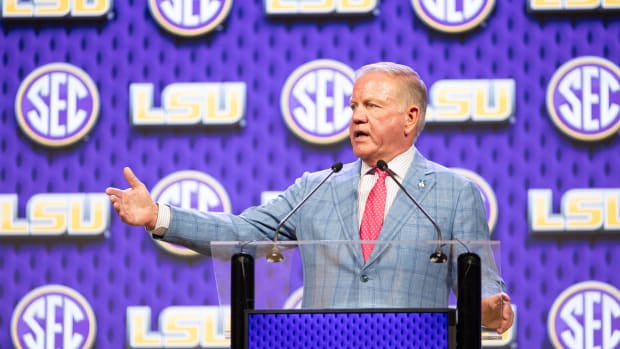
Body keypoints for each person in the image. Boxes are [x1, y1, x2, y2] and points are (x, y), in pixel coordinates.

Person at [106, 62, 514, 334]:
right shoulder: (317, 188)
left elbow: (484, 288)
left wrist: (491, 310)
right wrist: (158, 215)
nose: (357, 116)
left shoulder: (454, 194)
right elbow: (244, 232)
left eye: (372, 105)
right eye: (354, 106)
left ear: (411, 117)